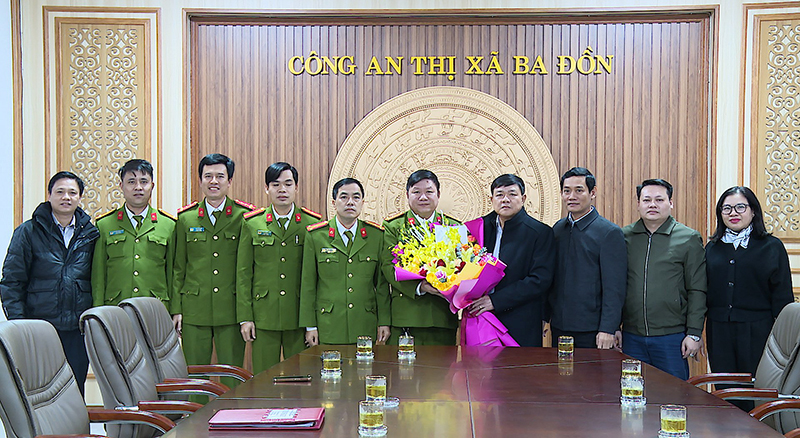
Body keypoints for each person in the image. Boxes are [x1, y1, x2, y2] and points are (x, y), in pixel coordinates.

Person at [0, 171, 99, 394]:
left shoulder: (91, 234)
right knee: (41, 391)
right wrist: (20, 324)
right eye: (60, 192)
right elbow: (11, 282)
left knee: (74, 390)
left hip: (77, 329)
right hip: (39, 327)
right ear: (49, 195)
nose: (66, 197)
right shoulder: (28, 231)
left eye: (72, 192)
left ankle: (75, 431)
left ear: (80, 197)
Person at [172, 153, 255, 388]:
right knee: (195, 375)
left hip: (230, 309)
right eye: (208, 176)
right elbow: (179, 268)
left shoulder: (244, 217)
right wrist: (176, 309)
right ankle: (196, 420)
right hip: (194, 310)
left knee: (232, 374)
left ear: (229, 181)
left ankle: (231, 420)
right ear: (200, 181)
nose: (213, 181)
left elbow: (247, 270)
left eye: (220, 176)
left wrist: (245, 314)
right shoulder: (186, 219)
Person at [705, 186, 793, 403]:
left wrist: (784, 339)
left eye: (740, 207)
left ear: (753, 211)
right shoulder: (712, 247)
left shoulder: (772, 247)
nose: (733, 213)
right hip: (719, 330)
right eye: (727, 208)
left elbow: (783, 297)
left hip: (759, 330)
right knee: (726, 391)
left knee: (756, 390)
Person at [617, 179, 706, 380]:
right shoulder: (624, 237)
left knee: (673, 397)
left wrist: (694, 333)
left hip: (672, 337)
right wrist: (615, 326)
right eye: (646, 200)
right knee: (633, 395)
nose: (652, 205)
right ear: (638, 204)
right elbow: (616, 285)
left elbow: (698, 289)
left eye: (659, 199)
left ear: (670, 203)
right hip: (632, 336)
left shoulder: (688, 238)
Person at [237, 162, 321, 373]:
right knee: (263, 379)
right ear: (267, 188)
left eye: (288, 184)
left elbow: (318, 277)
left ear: (296, 187)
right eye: (276, 184)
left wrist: (312, 323)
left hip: (299, 316)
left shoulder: (311, 225)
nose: (282, 190)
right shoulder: (252, 224)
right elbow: (244, 273)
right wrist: (245, 317)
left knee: (302, 380)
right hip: (264, 316)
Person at [466, 174, 556, 347]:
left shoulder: (540, 232)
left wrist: (496, 301)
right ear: (491, 199)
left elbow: (539, 280)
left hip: (520, 319)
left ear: (523, 198)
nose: (505, 200)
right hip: (480, 316)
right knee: (480, 371)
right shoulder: (477, 228)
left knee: (518, 371)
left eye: (512, 194)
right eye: (500, 195)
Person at [299, 178, 390, 345]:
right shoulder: (316, 236)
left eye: (356, 197)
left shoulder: (376, 236)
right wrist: (309, 326)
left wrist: (384, 321)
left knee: (364, 370)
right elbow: (308, 285)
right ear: (334, 202)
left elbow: (382, 285)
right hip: (329, 324)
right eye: (344, 197)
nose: (350, 202)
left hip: (364, 323)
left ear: (363, 202)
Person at [548, 167, 626, 349]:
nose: (571, 196)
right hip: (559, 326)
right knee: (559, 376)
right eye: (566, 191)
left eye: (579, 190)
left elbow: (615, 288)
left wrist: (609, 328)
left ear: (593, 193)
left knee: (588, 378)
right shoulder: (558, 229)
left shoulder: (608, 232)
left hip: (593, 330)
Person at [381, 170, 460, 345]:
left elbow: (463, 266)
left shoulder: (453, 226)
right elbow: (387, 267)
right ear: (407, 195)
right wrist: (420, 286)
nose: (423, 197)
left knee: (442, 371)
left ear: (438, 195)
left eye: (429, 192)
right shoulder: (394, 226)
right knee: (404, 371)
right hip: (406, 317)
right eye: (416, 192)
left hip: (442, 318)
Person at [92, 159, 176, 307]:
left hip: (155, 308)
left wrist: (175, 309)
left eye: (144, 181)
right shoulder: (104, 225)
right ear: (121, 186)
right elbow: (98, 276)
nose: (138, 187)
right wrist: (98, 311)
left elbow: (173, 274)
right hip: (115, 308)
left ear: (152, 186)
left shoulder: (168, 225)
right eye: (131, 182)